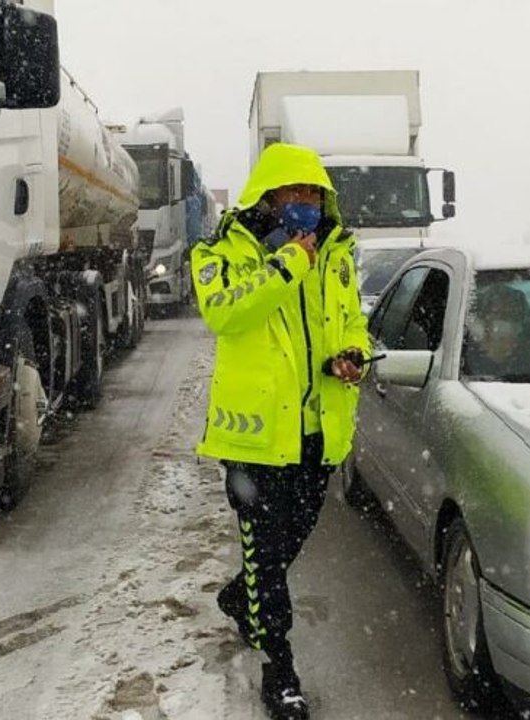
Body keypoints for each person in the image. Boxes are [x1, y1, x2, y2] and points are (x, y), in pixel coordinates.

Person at [192, 143, 369, 720]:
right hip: (255, 442)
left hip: (318, 433)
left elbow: (352, 321)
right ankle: (281, 671)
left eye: (314, 195)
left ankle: (239, 597)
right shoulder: (222, 251)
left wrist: (353, 353)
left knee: (289, 543)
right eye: (294, 194)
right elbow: (225, 312)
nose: (305, 206)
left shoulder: (338, 254)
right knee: (267, 559)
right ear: (268, 198)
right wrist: (290, 262)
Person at [464, 284, 527, 376]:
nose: (504, 320)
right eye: (497, 313)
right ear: (484, 316)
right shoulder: (466, 349)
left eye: (510, 314)